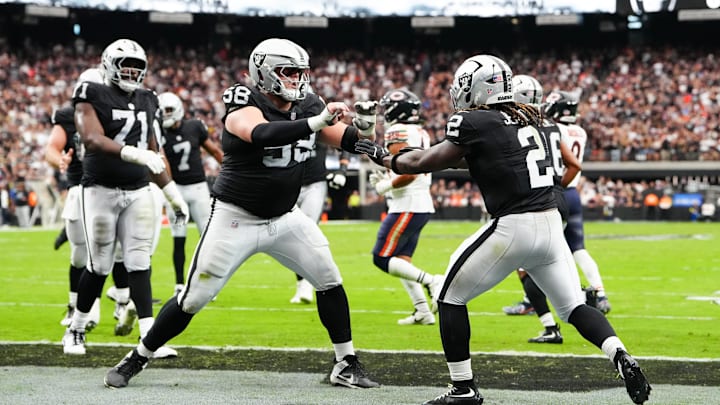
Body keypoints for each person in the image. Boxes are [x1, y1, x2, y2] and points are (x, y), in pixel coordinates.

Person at [355, 54, 651, 405]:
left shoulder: (475, 121)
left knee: (448, 296)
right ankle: (620, 355)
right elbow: (481, 159)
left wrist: (383, 155)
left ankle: (463, 388)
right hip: (552, 227)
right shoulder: (532, 118)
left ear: (478, 88)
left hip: (514, 226)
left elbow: (421, 162)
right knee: (573, 307)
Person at [104, 37, 380, 390]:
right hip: (235, 217)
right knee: (193, 298)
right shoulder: (243, 98)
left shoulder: (309, 105)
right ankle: (138, 356)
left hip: (284, 217)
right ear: (264, 73)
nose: (297, 79)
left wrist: (369, 133)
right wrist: (316, 122)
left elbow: (344, 137)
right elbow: (260, 133)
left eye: (300, 72)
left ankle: (345, 363)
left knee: (329, 279)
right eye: (288, 72)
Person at [61, 38, 189, 356]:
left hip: (138, 190)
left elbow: (154, 154)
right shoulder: (91, 92)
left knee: (139, 261)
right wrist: (134, 154)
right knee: (100, 264)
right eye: (125, 65)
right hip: (100, 188)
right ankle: (76, 330)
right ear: (108, 65)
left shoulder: (148, 98)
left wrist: (172, 193)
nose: (132, 71)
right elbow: (91, 139)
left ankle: (149, 338)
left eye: (138, 66)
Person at [505, 89, 611, 321]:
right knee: (578, 248)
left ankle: (534, 301)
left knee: (541, 250)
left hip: (555, 192)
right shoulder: (579, 131)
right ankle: (600, 292)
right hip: (573, 192)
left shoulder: (552, 128)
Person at [369, 88, 443, 325]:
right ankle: (422, 311)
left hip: (407, 204)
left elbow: (409, 170)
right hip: (419, 203)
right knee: (401, 260)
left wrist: (386, 185)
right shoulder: (420, 131)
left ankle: (432, 281)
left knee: (381, 258)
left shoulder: (397, 131)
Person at [45, 68, 104, 330]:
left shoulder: (115, 111)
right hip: (79, 189)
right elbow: (52, 148)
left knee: (102, 254)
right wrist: (60, 161)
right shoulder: (68, 116)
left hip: (106, 189)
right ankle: (74, 305)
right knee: (79, 255)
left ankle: (99, 306)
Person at [157, 91, 223, 296]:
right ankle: (179, 284)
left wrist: (231, 170)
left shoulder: (194, 126)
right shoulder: (158, 132)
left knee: (207, 236)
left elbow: (214, 151)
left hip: (198, 189)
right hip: (176, 190)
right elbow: (163, 161)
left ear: (177, 109)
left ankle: (208, 281)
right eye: (162, 111)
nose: (165, 115)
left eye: (168, 110)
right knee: (179, 238)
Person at [290, 136, 350, 305]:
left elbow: (344, 142)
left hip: (315, 183)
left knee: (307, 231)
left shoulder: (319, 122)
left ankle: (308, 283)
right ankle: (302, 283)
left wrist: (342, 170)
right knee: (292, 234)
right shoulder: (284, 119)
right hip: (289, 183)